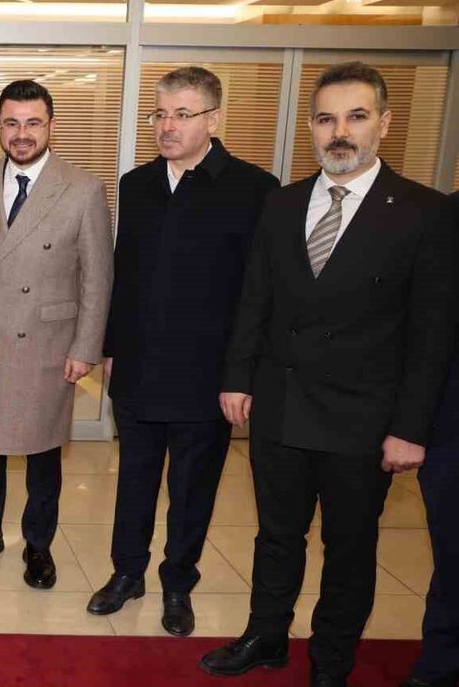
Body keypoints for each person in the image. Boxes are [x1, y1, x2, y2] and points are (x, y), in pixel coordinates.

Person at [200, 62, 456, 687]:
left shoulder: (423, 212)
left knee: (349, 548)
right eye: (326, 119)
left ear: (384, 124)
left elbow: (432, 334)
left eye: (355, 116)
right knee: (276, 535)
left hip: (362, 419)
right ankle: (266, 635)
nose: (339, 132)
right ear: (311, 128)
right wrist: (237, 377)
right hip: (281, 402)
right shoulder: (283, 203)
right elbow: (255, 298)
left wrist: (410, 429)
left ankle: (331, 660)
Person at [89, 67, 278, 635]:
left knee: (192, 489)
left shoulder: (253, 189)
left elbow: (258, 292)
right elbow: (124, 272)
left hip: (206, 374)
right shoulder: (137, 184)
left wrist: (241, 375)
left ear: (213, 119)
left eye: (182, 114)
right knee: (134, 480)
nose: (166, 126)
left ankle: (178, 583)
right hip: (138, 366)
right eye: (160, 114)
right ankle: (126, 573)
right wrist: (111, 346)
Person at [0, 80, 112, 588]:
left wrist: (86, 347)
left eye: (32, 123)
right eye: (11, 123)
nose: (21, 134)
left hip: (47, 343)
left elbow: (97, 277)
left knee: (43, 454)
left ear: (51, 127)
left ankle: (38, 545)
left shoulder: (83, 188)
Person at [403, 190, 459, 687]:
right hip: (450, 425)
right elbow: (422, 326)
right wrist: (409, 426)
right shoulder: (445, 216)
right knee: (453, 556)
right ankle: (440, 665)